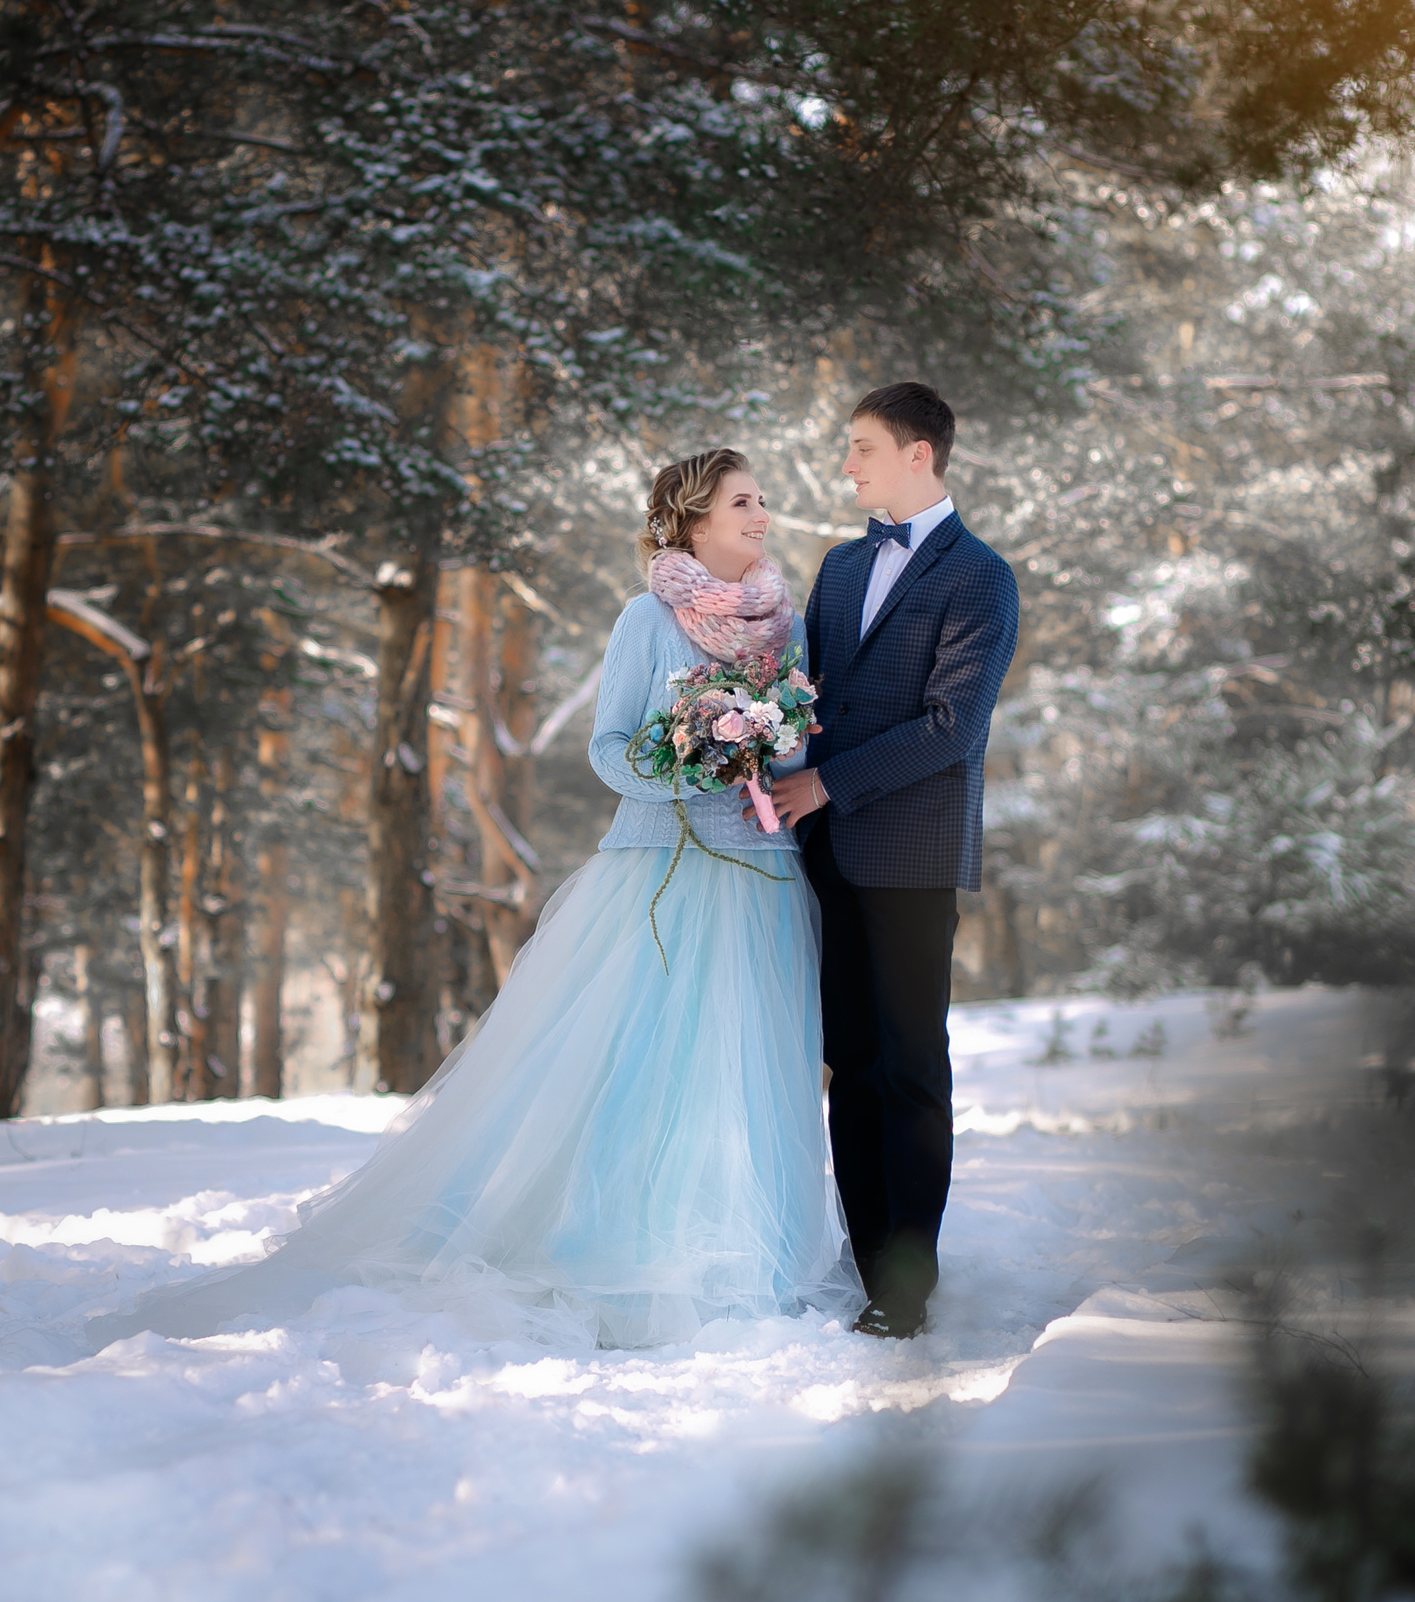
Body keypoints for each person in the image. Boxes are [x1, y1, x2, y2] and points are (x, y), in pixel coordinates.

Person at [87, 449, 864, 1353]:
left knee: (751, 1074)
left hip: (762, 878)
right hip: (658, 874)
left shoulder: (788, 624)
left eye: (762, 500)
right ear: (694, 518)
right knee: (650, 1074)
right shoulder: (643, 621)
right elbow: (608, 751)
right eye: (743, 500)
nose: (762, 514)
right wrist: (685, 764)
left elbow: (799, 753)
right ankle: (629, 1249)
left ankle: (752, 1259)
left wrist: (762, 753)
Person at [748, 382, 1020, 1338]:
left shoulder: (980, 577)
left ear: (920, 453)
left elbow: (951, 729)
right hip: (828, 855)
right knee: (850, 1062)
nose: (848, 464)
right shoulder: (837, 565)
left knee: (909, 1066)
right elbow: (806, 697)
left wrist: (827, 785)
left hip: (910, 854)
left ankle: (907, 1283)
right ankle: (872, 1267)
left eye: (862, 447)